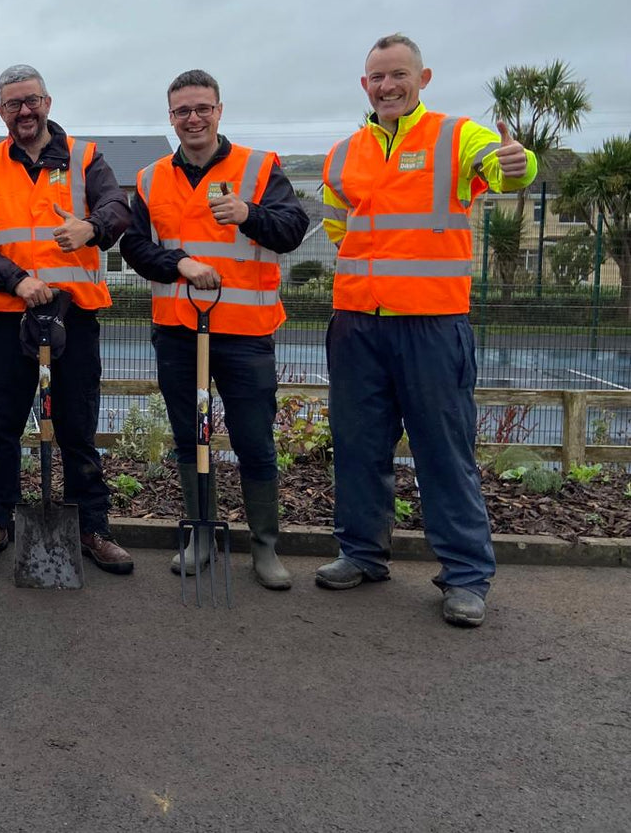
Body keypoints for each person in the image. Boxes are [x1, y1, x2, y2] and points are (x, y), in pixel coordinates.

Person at [317, 33, 536, 628]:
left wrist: (518, 165)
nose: (388, 86)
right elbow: (339, 225)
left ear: (423, 77)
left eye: (399, 75)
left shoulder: (458, 135)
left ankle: (465, 577)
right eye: (377, 77)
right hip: (358, 323)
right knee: (359, 448)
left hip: (432, 324)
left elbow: (505, 169)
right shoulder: (343, 154)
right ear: (365, 85)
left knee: (444, 453)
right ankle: (361, 553)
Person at [120, 69, 309, 589]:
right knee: (191, 438)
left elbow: (292, 230)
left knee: (254, 440)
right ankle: (199, 533)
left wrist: (248, 213)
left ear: (219, 110)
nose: (193, 118)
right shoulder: (151, 177)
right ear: (171, 117)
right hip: (179, 331)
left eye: (202, 107)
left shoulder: (260, 167)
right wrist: (177, 262)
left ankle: (265, 548)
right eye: (182, 110)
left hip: (245, 333)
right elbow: (134, 247)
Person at [0, 64, 135, 574]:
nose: (24, 111)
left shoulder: (85, 157)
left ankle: (92, 528)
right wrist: (17, 281)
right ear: (1, 112)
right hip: (6, 313)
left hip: (72, 314)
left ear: (48, 102)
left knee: (78, 423)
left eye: (31, 100)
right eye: (13, 104)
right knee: (2, 423)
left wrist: (91, 228)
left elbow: (117, 208)